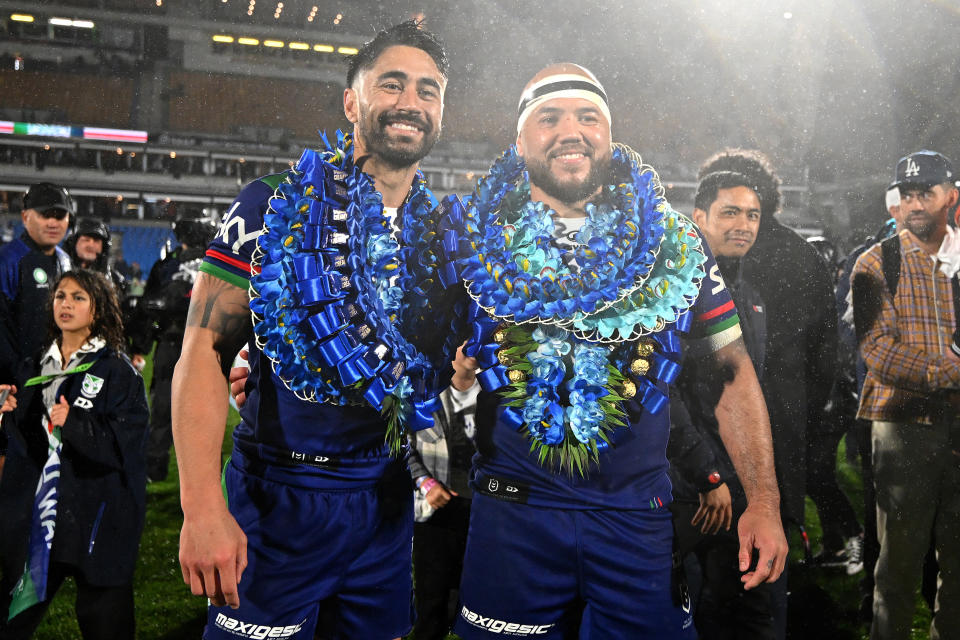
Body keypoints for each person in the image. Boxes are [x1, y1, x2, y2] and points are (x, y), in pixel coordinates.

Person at [449, 64, 788, 640]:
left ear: (610, 133)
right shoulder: (467, 237)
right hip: (513, 520)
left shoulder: (674, 244)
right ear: (519, 140)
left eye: (589, 117)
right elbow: (421, 365)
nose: (570, 130)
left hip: (637, 521)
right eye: (548, 118)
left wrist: (764, 501)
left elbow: (733, 373)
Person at [172, 21, 454, 640]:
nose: (411, 102)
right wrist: (201, 507)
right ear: (351, 100)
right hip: (280, 496)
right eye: (392, 84)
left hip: (384, 502)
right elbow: (203, 352)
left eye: (429, 91)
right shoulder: (272, 204)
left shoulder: (444, 236)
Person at [0, 269, 149, 639]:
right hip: (43, 515)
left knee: (105, 622)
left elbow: (128, 442)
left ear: (97, 310)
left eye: (78, 297)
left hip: (94, 515)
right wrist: (9, 411)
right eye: (60, 296)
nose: (65, 304)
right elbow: (29, 446)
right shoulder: (34, 364)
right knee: (12, 615)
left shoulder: (117, 371)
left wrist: (78, 425)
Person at [851, 149, 960, 640]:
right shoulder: (877, 261)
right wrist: (949, 373)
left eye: (927, 192)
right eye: (908, 193)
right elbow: (877, 349)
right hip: (902, 426)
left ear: (950, 196)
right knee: (898, 564)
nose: (916, 202)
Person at [669, 170, 777, 638]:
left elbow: (744, 390)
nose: (744, 225)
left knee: (745, 611)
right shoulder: (670, 289)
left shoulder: (752, 295)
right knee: (681, 610)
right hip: (686, 481)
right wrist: (706, 473)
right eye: (730, 212)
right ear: (698, 217)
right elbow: (667, 390)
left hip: (735, 479)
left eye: (752, 215)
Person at [129, 211, 217, 481]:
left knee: (165, 405)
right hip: (206, 344)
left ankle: (156, 467)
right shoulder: (216, 263)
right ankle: (202, 475)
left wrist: (140, 345)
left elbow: (148, 306)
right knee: (205, 409)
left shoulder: (167, 265)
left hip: (172, 341)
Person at [406, 347, 480, 640]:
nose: (471, 350)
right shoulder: (424, 398)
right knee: (430, 594)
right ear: (451, 356)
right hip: (434, 512)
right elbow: (403, 448)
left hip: (478, 512)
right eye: (464, 346)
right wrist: (426, 484)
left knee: (470, 593)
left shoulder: (495, 398)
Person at [0, 183, 73, 476]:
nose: (54, 222)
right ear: (26, 216)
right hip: (14, 387)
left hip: (55, 382)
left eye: (60, 215)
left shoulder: (65, 261)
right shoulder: (8, 259)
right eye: (46, 215)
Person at [64, 217, 127, 295]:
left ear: (103, 248)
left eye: (96, 241)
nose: (91, 245)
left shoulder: (116, 281)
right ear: (73, 244)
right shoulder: (59, 272)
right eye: (86, 240)